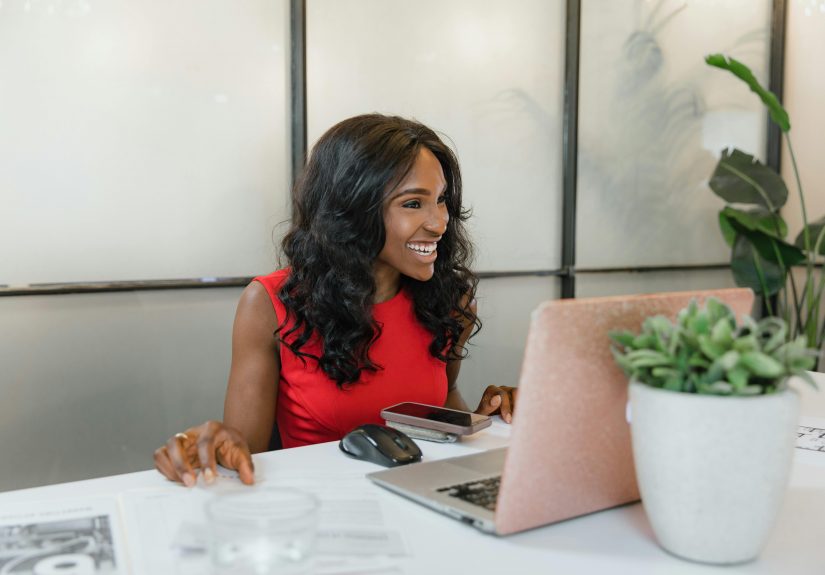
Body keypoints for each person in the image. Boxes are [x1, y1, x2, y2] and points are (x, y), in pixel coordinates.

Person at [154, 114, 518, 486]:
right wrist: (215, 444)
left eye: (441, 201)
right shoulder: (269, 304)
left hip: (422, 502)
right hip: (320, 509)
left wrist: (490, 419)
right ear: (353, 210)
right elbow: (243, 453)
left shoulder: (451, 300)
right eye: (413, 204)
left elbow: (442, 403)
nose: (439, 222)